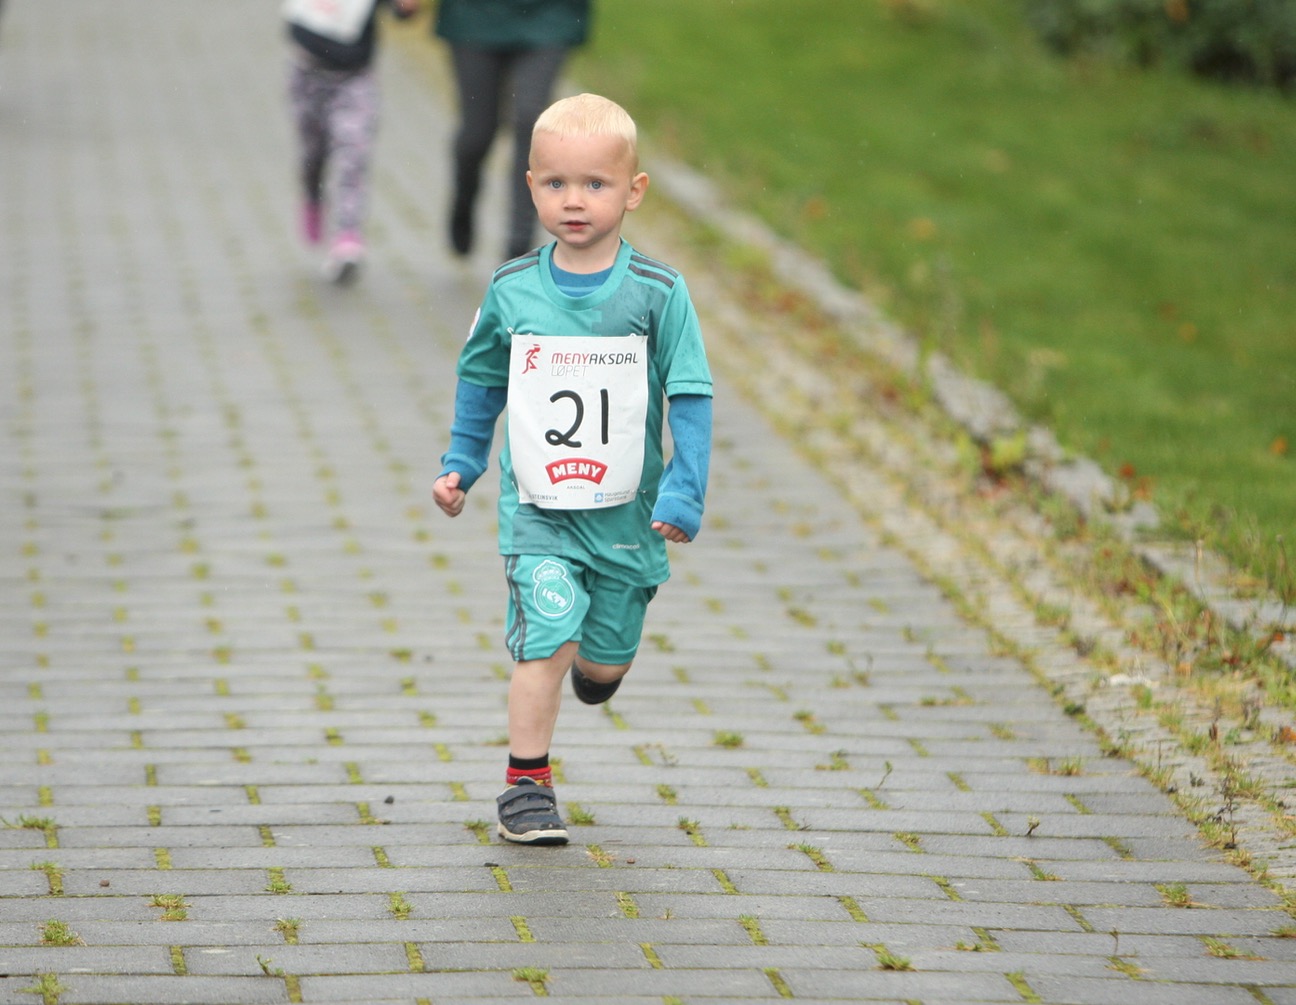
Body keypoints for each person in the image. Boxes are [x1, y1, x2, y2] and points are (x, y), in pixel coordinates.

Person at [432, 93, 713, 845]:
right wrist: (463, 461)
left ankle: (600, 666)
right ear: (530, 187)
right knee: (547, 639)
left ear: (634, 190)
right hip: (540, 513)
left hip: (625, 515)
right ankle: (526, 786)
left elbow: (690, 391)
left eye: (595, 183)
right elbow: (481, 377)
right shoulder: (512, 289)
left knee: (603, 660)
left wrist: (685, 488)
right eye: (555, 183)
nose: (575, 200)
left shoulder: (658, 293)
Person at [434, 0, 591, 261]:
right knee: (477, 134)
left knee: (531, 122)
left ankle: (519, 247)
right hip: (473, 16)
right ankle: (464, 202)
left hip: (548, 16)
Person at [284, 0, 417, 284]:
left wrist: (406, 8)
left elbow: (400, 10)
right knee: (313, 154)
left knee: (352, 156)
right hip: (306, 71)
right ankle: (313, 196)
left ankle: (347, 237)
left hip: (355, 78)